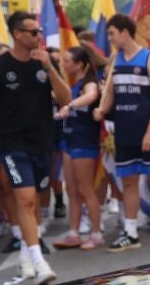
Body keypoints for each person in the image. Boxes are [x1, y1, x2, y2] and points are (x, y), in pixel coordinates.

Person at [0, 10, 68, 282]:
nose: (38, 36)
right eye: (33, 32)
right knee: (25, 199)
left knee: (36, 204)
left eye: (39, 31)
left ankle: (24, 257)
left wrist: (50, 68)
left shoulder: (46, 62)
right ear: (17, 34)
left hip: (42, 143)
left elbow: (65, 98)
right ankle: (39, 262)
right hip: (12, 145)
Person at [96, 12, 150, 253]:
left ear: (124, 32)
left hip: (147, 131)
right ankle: (130, 233)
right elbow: (110, 96)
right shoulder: (114, 62)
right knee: (128, 181)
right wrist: (102, 108)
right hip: (124, 131)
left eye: (111, 34)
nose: (109, 38)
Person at [44, 44, 106, 250]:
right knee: (72, 189)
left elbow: (91, 96)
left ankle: (96, 234)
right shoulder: (72, 84)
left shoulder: (89, 84)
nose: (64, 64)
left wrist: (70, 105)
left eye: (68, 61)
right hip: (69, 141)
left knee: (85, 188)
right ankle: (73, 233)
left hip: (84, 142)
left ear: (80, 64)